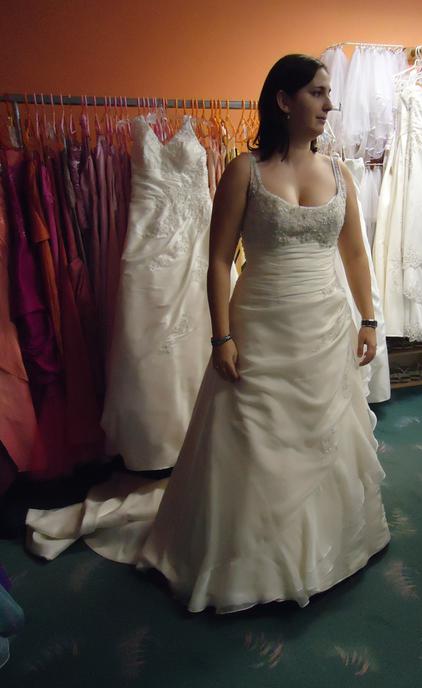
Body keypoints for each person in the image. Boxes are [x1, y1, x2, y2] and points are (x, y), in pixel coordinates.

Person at [137, 54, 390, 613]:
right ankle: (242, 559)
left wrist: (369, 318)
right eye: (317, 92)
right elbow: (217, 259)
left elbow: (354, 253)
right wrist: (220, 336)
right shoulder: (243, 171)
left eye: (330, 94)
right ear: (283, 100)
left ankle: (323, 547)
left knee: (322, 438)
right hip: (259, 327)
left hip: (324, 328)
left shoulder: (339, 173)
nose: (329, 104)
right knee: (251, 441)